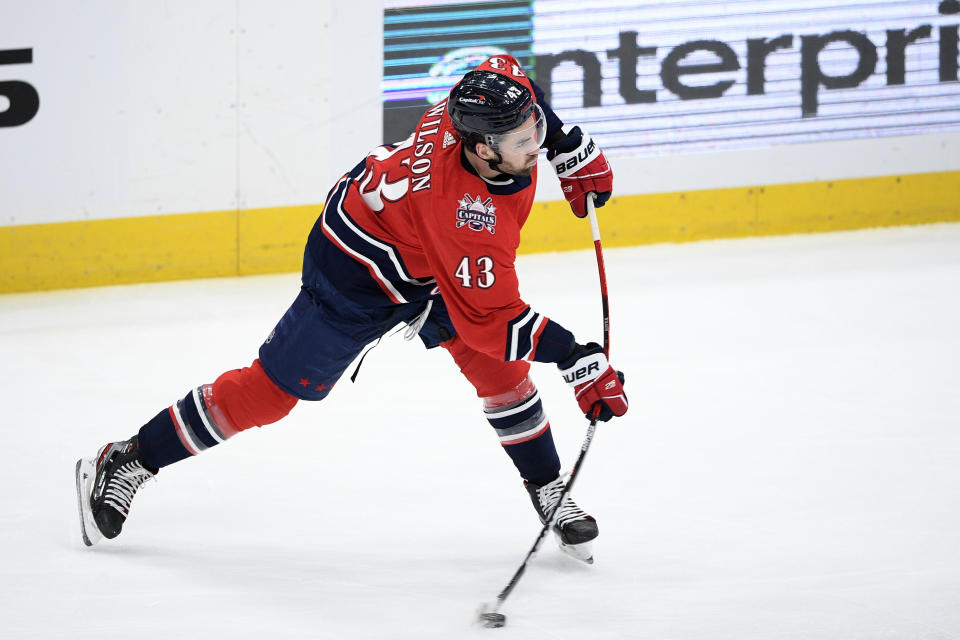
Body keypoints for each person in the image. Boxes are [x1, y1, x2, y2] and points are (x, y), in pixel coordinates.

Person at [74, 54, 628, 563]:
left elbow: (514, 80)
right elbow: (494, 322)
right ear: (483, 149)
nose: (535, 141)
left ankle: (548, 488)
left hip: (421, 251)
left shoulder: (481, 106)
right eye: (523, 138)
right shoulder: (463, 216)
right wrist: (576, 358)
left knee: (502, 374)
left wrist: (566, 143)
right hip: (357, 267)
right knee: (271, 395)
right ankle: (129, 458)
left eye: (535, 127)